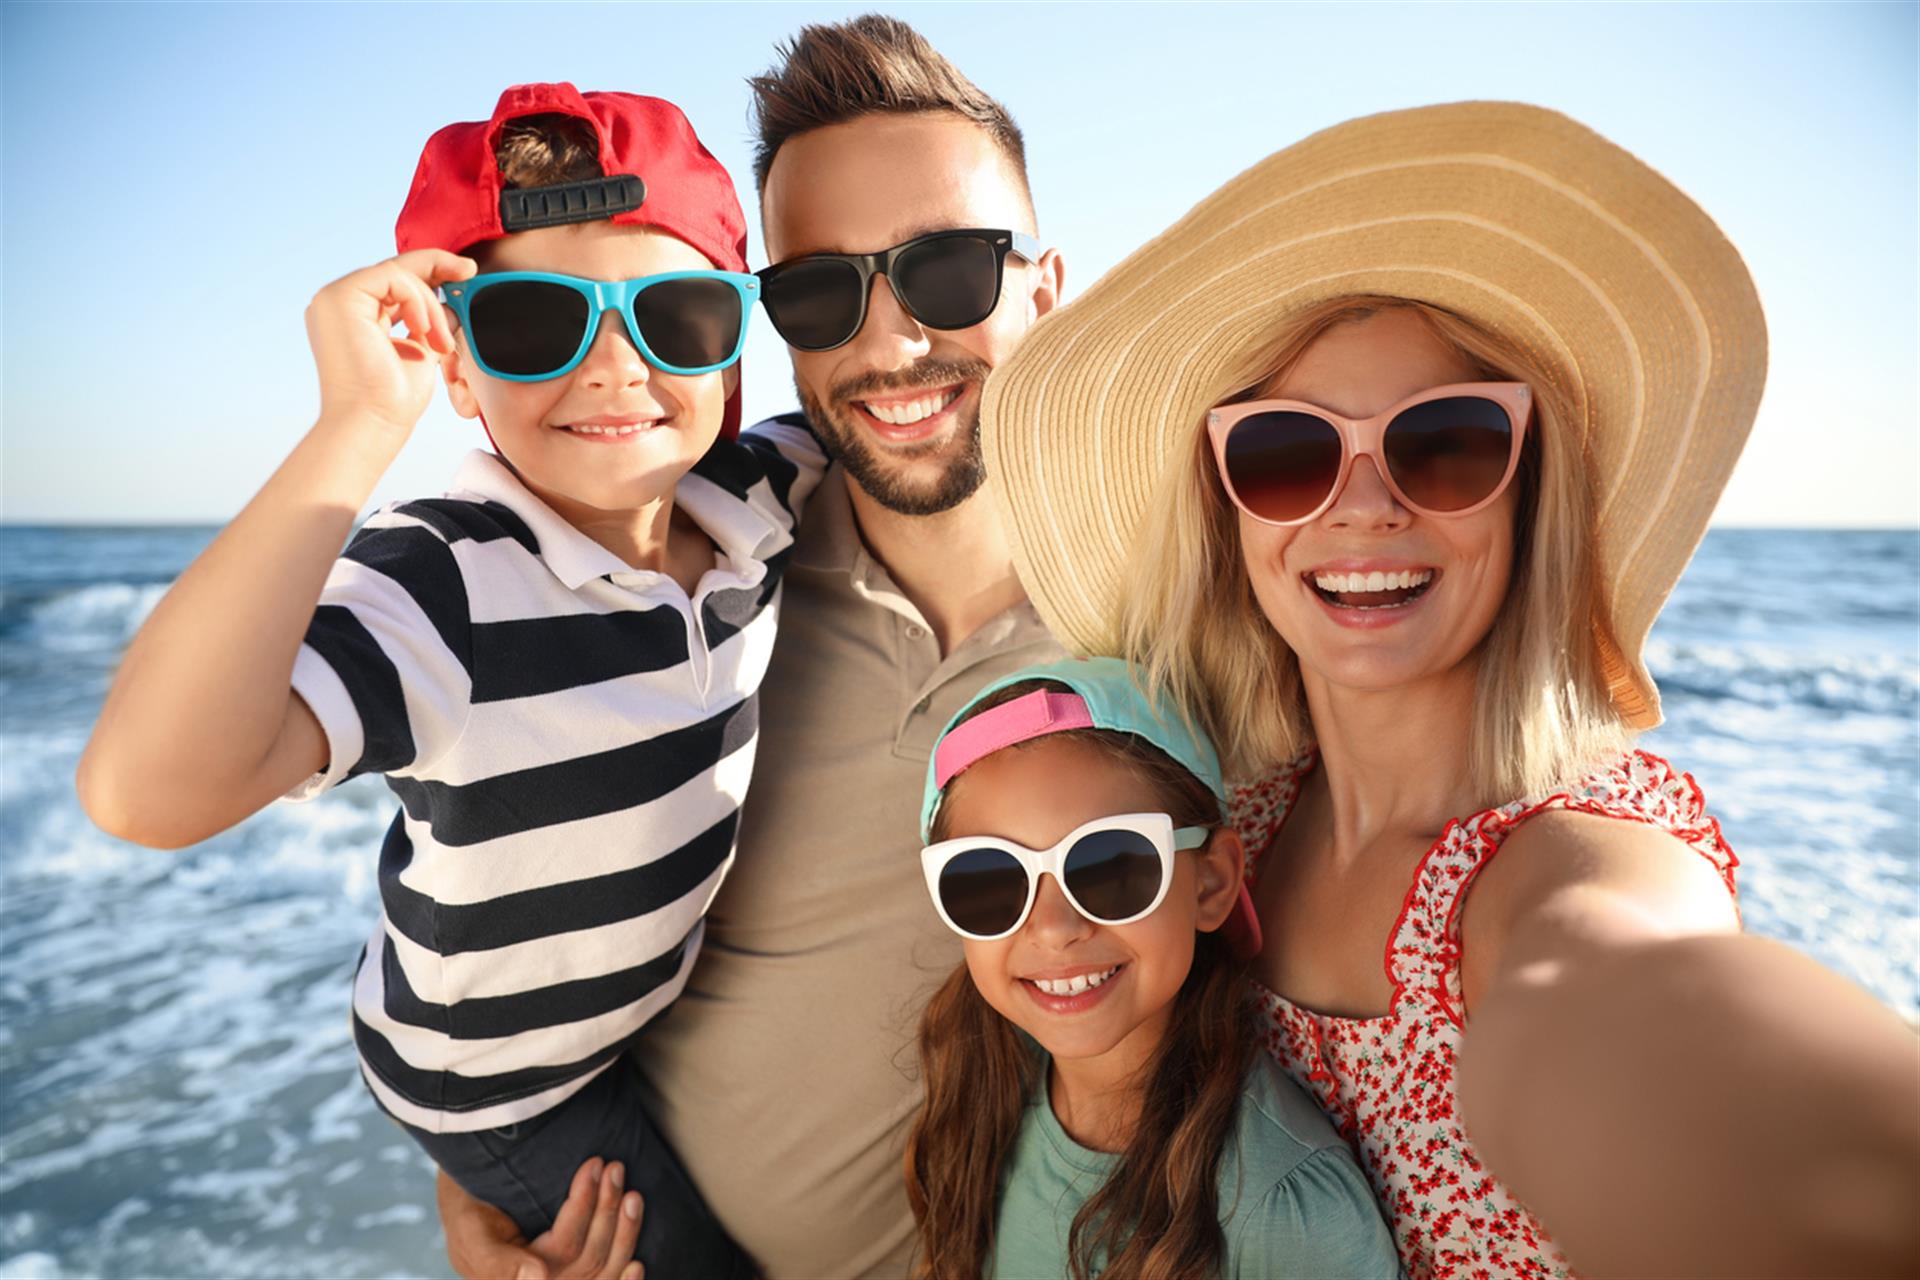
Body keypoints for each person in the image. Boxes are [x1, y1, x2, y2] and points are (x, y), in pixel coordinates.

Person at [981, 101, 1920, 1278]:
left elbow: (1635, 1008)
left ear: (1531, 491)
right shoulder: (1236, 825)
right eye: (1286, 452)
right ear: (1226, 515)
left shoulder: (1572, 864)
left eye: (1447, 443)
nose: (1364, 505)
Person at [76, 83, 826, 1277]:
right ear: (461, 368)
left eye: (676, 314)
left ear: (735, 334)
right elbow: (146, 790)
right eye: (536, 323)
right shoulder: (443, 582)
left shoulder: (752, 493)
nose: (615, 367)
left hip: (622, 1007)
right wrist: (356, 426)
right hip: (504, 1077)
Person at [436, 18, 1069, 1279]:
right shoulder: (699, 586)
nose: (888, 345)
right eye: (823, 289)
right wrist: (488, 1188)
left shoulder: (1182, 594)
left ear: (1043, 289)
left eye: (948, 272)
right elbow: (499, 907)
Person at [907, 656, 1399, 1278]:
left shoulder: (1285, 1208)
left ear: (1212, 882)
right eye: (990, 879)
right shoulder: (988, 1096)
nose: (1055, 928)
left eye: (1111, 866)